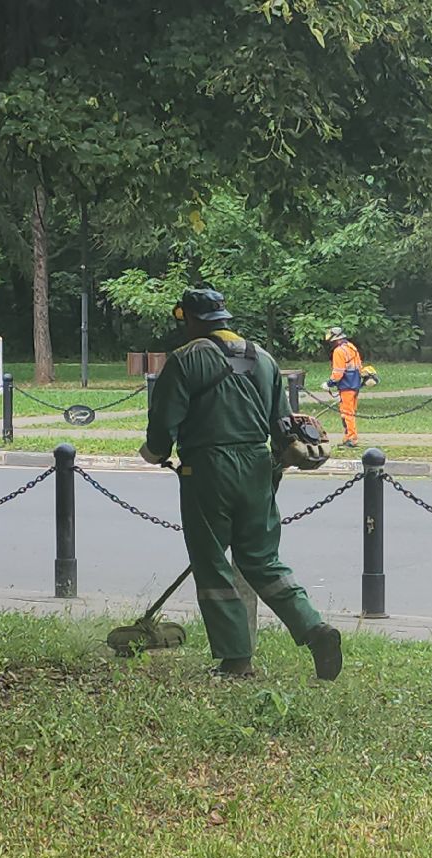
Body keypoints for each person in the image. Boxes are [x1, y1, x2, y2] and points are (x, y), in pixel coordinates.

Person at [140, 287, 343, 680]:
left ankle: (236, 660)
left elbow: (163, 423)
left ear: (192, 321)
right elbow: (283, 424)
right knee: (262, 560)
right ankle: (314, 628)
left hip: (207, 470)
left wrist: (154, 452)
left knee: (213, 563)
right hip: (258, 468)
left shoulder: (186, 360)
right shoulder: (264, 360)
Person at [324, 326, 363, 447]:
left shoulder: (339, 351)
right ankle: (347, 437)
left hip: (346, 385)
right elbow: (359, 367)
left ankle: (352, 438)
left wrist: (329, 383)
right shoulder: (351, 347)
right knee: (349, 412)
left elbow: (338, 372)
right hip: (355, 384)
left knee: (347, 413)